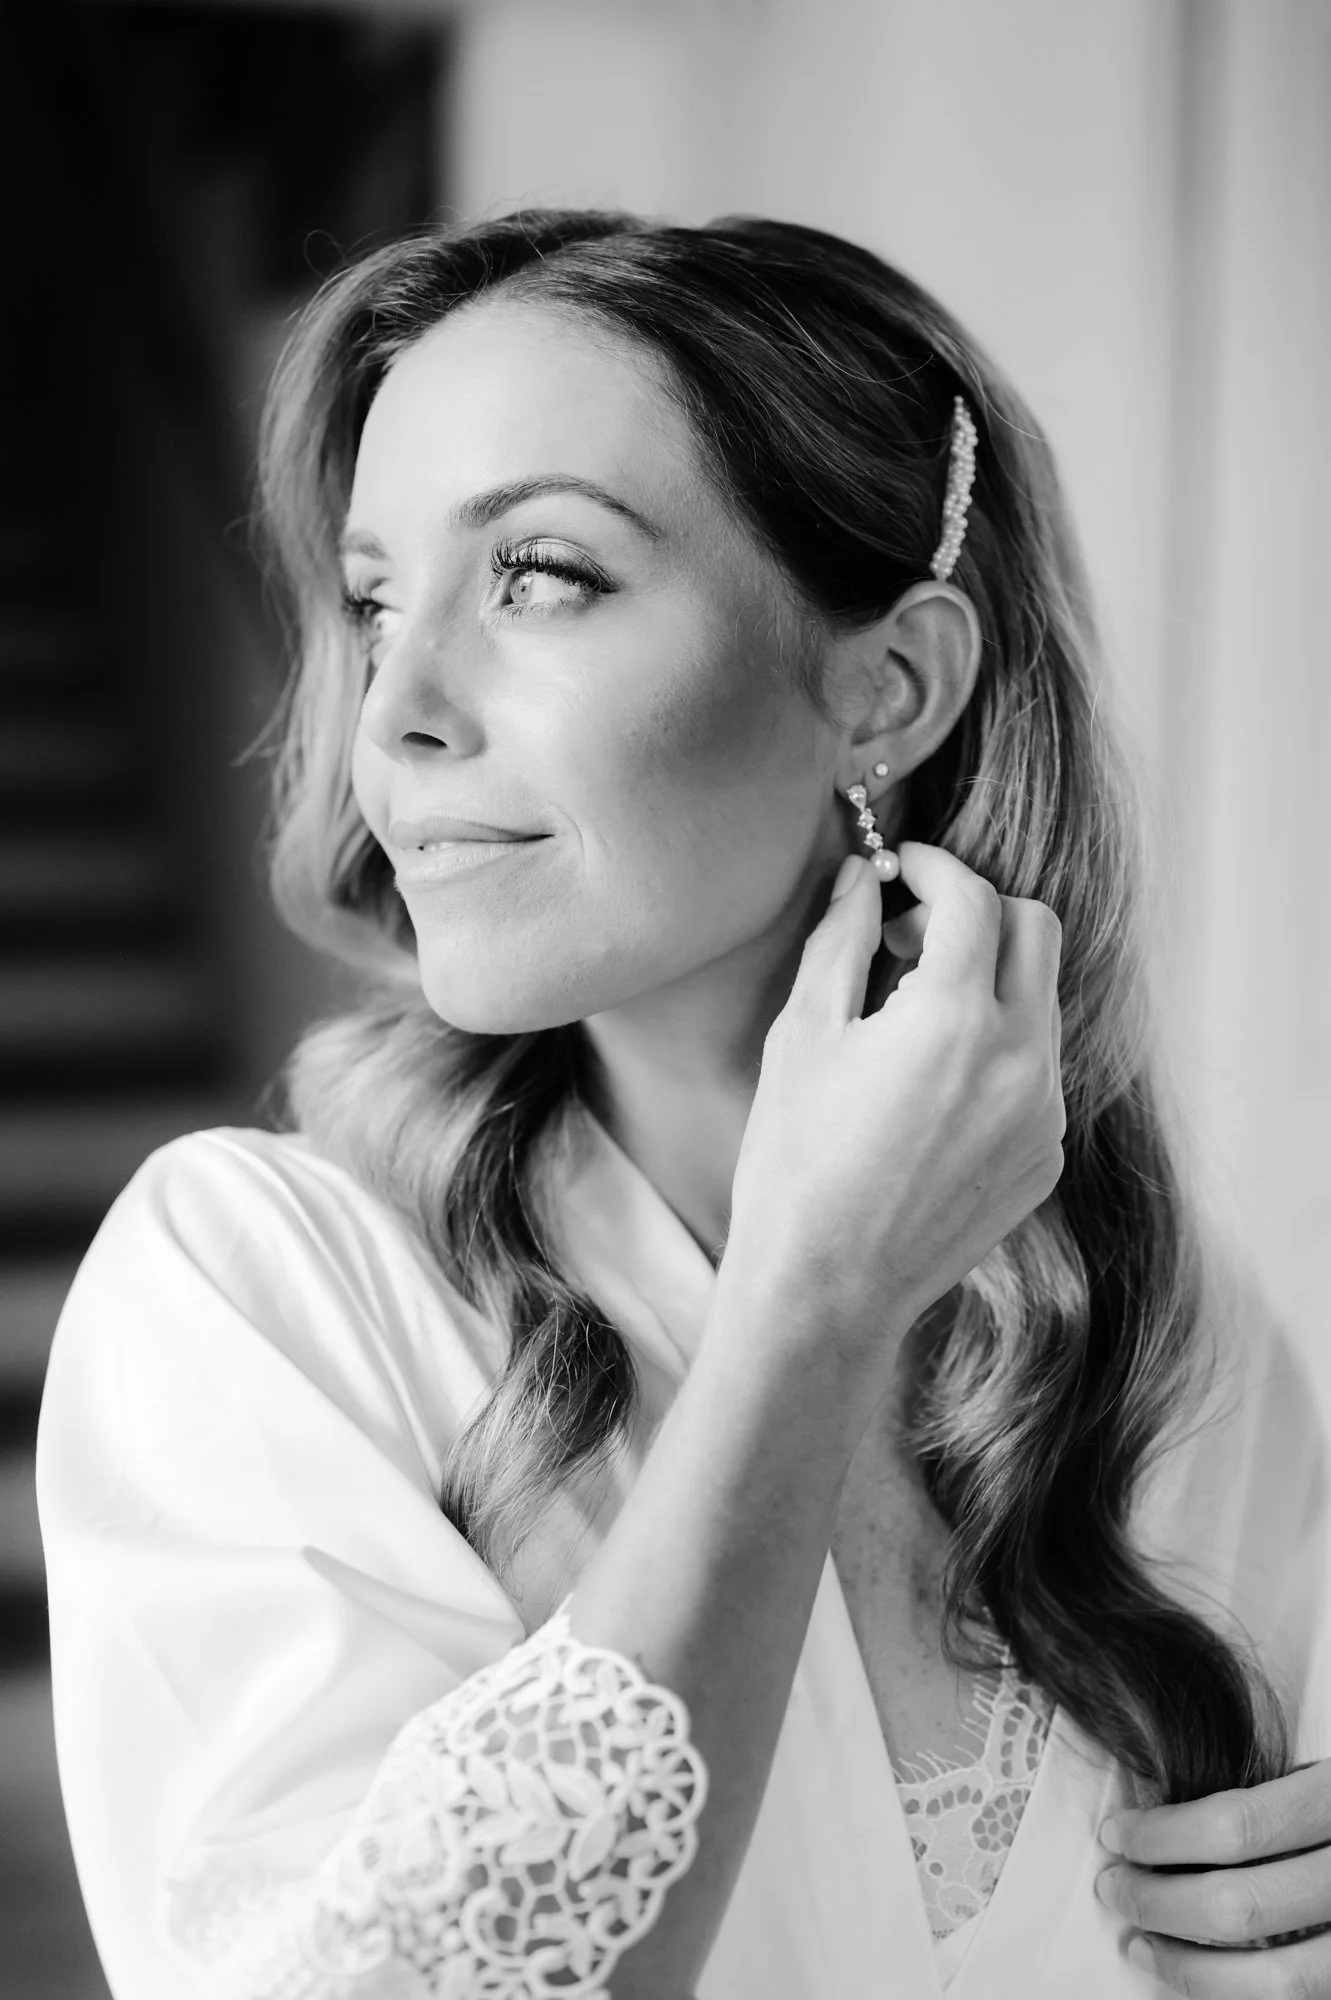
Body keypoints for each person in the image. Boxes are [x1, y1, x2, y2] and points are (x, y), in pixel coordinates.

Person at [36, 210, 1331, 2000]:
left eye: (540, 574)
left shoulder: (1164, 1334)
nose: (394, 709)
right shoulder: (255, 1290)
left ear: (889, 687)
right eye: (375, 599)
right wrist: (812, 1305)